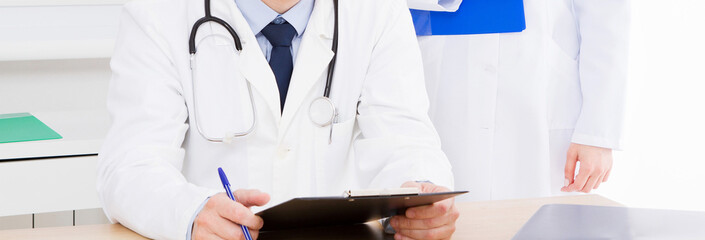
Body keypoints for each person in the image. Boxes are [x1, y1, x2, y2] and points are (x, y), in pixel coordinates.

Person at [98, 0, 459, 239]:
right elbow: (129, 167)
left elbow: (406, 140)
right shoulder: (158, 11)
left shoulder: (376, 10)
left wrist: (422, 193)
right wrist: (190, 213)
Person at [407, 0, 630, 201]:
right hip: (440, 66)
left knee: (536, 220)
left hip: (537, 82)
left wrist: (596, 132)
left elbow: (606, 14)